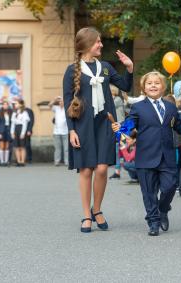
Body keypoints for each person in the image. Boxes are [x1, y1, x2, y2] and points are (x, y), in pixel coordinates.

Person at [63, 27, 133, 233]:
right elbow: (67, 102)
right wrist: (71, 130)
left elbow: (125, 87)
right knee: (86, 170)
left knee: (102, 169)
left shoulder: (105, 67)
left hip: (105, 122)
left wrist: (129, 68)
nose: (101, 45)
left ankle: (97, 209)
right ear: (86, 44)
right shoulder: (71, 70)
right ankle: (86, 214)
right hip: (82, 125)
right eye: (98, 42)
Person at [112, 71, 181, 236]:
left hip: (167, 156)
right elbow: (128, 127)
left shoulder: (171, 107)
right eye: (149, 83)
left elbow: (179, 127)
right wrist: (120, 130)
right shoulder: (138, 107)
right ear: (144, 88)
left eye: (157, 83)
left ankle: (163, 208)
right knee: (149, 192)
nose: (153, 85)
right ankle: (153, 222)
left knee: (170, 186)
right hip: (145, 156)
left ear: (163, 87)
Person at [109, 85, 125, 179]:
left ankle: (120, 168)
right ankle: (117, 170)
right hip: (117, 125)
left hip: (121, 125)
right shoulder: (115, 99)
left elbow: (110, 106)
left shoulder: (117, 99)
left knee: (120, 147)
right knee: (117, 148)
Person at [49, 96, 68, 166]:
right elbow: (49, 105)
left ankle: (67, 162)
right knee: (57, 148)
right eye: (59, 101)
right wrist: (54, 99)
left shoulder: (66, 109)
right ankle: (57, 161)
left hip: (65, 131)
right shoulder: (56, 108)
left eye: (62, 101)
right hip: (56, 132)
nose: (61, 102)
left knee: (66, 148)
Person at [10, 99, 30, 166]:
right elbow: (13, 123)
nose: (15, 105)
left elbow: (25, 124)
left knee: (22, 146)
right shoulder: (14, 113)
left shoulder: (24, 112)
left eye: (16, 103)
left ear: (21, 104)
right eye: (15, 104)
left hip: (21, 129)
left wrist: (23, 133)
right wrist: (12, 132)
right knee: (17, 146)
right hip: (16, 129)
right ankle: (18, 161)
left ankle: (22, 161)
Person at [0, 100, 12, 166]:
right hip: (2, 130)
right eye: (4, 104)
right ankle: (2, 161)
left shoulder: (11, 113)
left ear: (8, 106)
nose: (5, 106)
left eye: (6, 104)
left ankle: (6, 161)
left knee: (7, 146)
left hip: (8, 130)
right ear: (2, 105)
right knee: (1, 146)